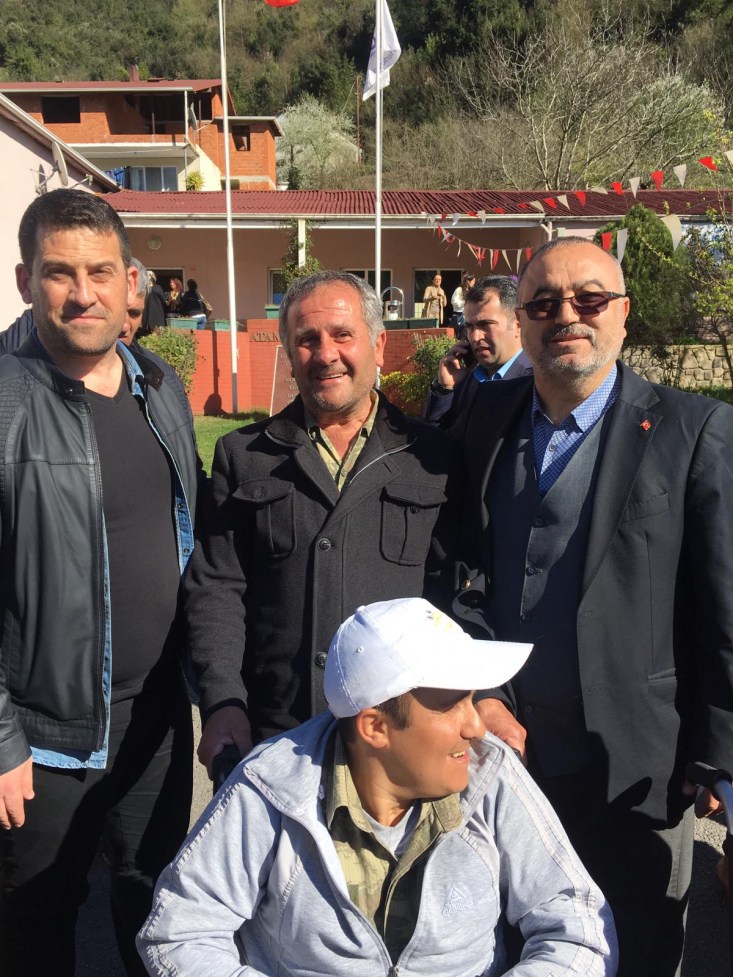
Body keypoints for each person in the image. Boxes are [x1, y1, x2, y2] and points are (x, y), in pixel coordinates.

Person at [451, 235, 733, 977]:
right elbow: (461, 566)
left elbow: (724, 606)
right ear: (522, 319)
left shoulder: (693, 429)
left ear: (622, 313)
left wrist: (720, 750)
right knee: (515, 946)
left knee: (636, 947)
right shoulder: (484, 417)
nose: (566, 315)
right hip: (506, 756)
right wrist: (481, 690)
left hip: (637, 762)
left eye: (589, 299)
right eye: (544, 303)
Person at [137, 598, 617, 977]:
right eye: (451, 704)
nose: (476, 726)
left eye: (473, 699)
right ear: (374, 727)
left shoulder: (491, 772)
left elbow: (578, 925)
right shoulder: (269, 788)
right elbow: (181, 933)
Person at [0, 189, 202, 977]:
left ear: (130, 281)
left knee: (158, 904)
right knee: (37, 919)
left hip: (155, 716)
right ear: (26, 280)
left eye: (100, 271)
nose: (82, 293)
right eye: (59, 272)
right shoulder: (6, 401)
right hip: (43, 734)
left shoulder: (160, 386)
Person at [184, 270, 461, 777]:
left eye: (343, 334)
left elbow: (456, 592)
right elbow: (217, 588)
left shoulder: (432, 457)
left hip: (400, 739)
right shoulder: (244, 455)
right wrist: (223, 700)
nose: (326, 353)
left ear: (378, 345)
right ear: (290, 356)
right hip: (277, 735)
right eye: (307, 339)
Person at [423, 275, 532, 428]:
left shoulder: (536, 383)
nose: (475, 337)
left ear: (518, 324)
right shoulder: (470, 380)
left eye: (486, 325)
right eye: (470, 327)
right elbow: (437, 438)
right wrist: (445, 389)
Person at [450, 270, 475, 334]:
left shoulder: (471, 291)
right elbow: (454, 301)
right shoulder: (459, 289)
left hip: (468, 317)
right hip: (459, 316)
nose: (474, 283)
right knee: (460, 336)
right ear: (468, 282)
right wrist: (464, 302)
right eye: (473, 281)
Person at [141, 270, 166, 334]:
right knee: (158, 335)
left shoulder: (143, 289)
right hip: (157, 316)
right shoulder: (157, 288)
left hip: (146, 318)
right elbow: (164, 300)